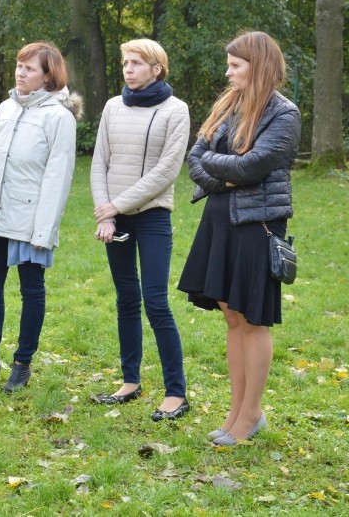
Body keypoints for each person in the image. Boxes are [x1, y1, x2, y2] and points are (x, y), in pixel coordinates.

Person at [177, 31, 301, 445]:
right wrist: (227, 172)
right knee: (232, 317)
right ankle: (236, 411)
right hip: (219, 220)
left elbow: (255, 166)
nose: (227, 73)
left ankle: (250, 415)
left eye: (235, 65)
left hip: (257, 224)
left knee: (253, 319)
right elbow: (194, 159)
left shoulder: (284, 114)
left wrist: (228, 169)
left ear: (258, 66)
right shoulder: (228, 106)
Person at [0, 42, 82, 392]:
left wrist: (42, 231)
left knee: (31, 290)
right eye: (19, 65)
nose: (20, 72)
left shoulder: (59, 116)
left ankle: (22, 363)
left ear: (48, 75)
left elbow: (58, 177)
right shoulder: (5, 109)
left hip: (30, 223)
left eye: (29, 68)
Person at [90, 39, 191, 421]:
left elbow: (167, 171)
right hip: (114, 218)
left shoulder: (175, 110)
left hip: (151, 217)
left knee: (155, 301)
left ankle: (176, 393)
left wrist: (118, 205)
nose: (128, 69)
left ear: (156, 69)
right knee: (126, 299)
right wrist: (106, 214)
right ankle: (130, 382)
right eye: (125, 63)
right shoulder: (113, 107)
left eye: (136, 63)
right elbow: (100, 162)